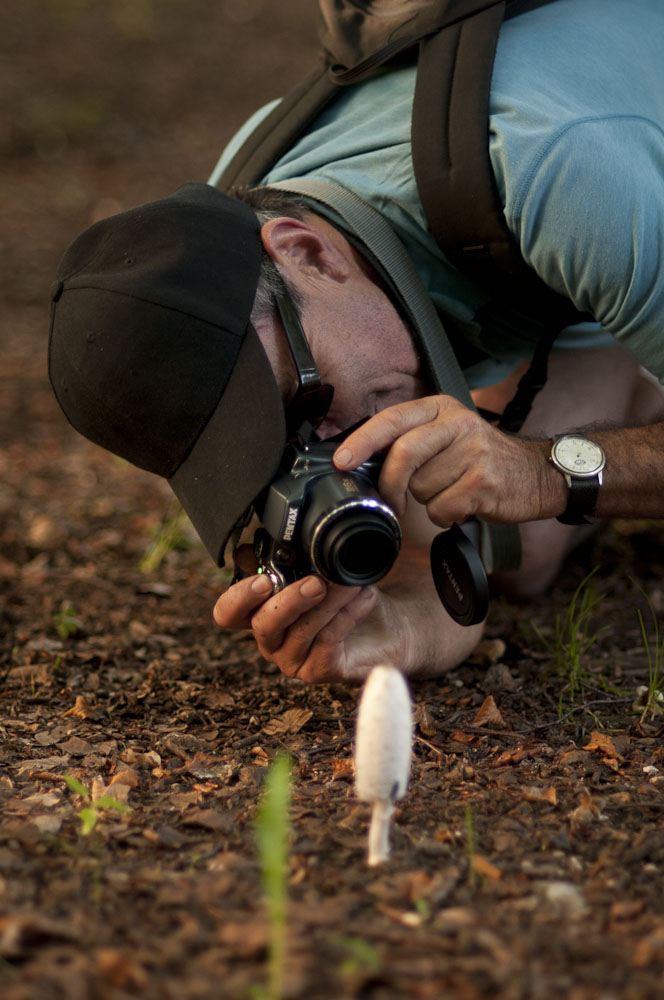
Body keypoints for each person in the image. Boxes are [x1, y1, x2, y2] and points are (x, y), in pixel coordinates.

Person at [49, 0, 664, 684]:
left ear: (308, 253)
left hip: (603, 187)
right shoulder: (235, 220)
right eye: (270, 444)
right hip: (568, 255)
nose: (334, 446)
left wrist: (547, 470)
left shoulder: (554, 173)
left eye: (305, 400)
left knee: (544, 484)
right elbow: (438, 547)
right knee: (521, 544)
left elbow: (535, 474)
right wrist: (400, 611)